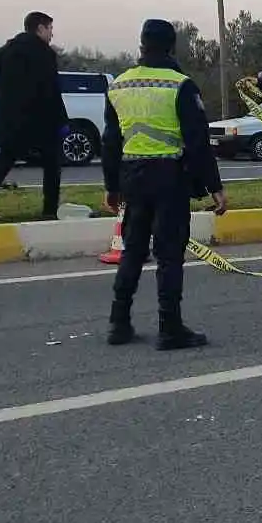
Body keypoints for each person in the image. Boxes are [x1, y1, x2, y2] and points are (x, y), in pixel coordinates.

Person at [101, 19, 227, 350]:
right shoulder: (180, 84)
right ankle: (169, 328)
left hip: (132, 178)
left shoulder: (120, 85)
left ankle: (119, 323)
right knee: (169, 255)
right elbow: (197, 141)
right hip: (169, 177)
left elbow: (111, 140)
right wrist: (215, 187)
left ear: (141, 44)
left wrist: (111, 187)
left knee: (132, 250)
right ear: (172, 46)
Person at [0, 11, 67, 221]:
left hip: (12, 119)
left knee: (5, 161)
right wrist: (62, 120)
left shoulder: (5, 52)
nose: (52, 34)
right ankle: (50, 209)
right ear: (40, 28)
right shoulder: (44, 53)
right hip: (39, 119)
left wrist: (0, 117)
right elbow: (50, 90)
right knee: (52, 164)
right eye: (50, 29)